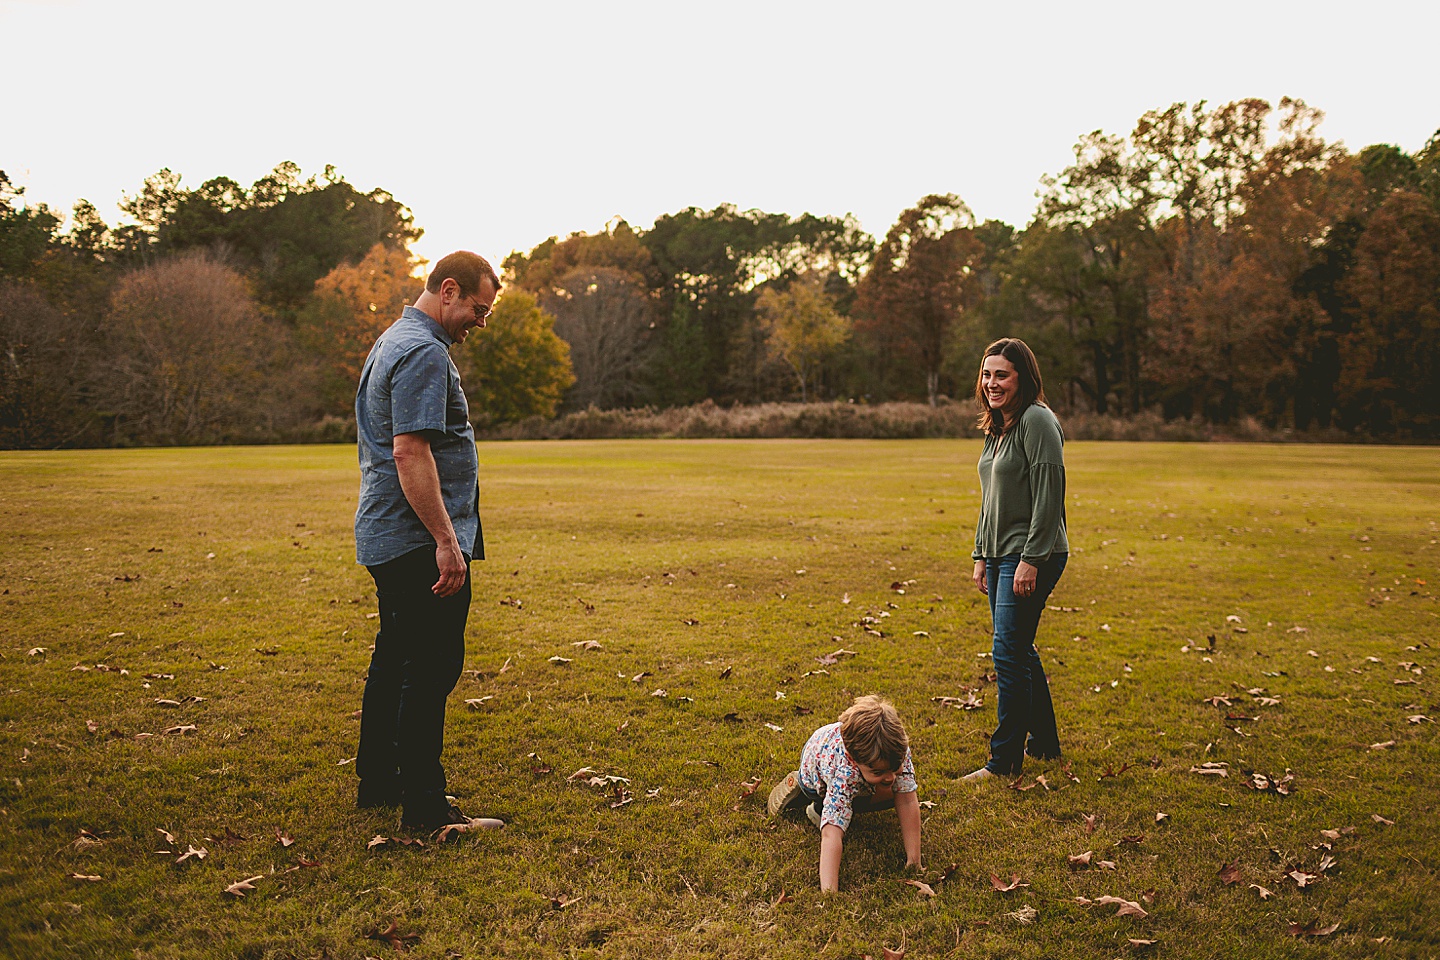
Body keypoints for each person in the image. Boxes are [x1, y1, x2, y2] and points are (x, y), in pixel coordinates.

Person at [353, 250, 499, 830]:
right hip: (416, 538)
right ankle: (426, 810)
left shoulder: (393, 338)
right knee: (430, 667)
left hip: (386, 531)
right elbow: (410, 450)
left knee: (394, 657)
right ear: (447, 291)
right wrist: (445, 539)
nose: (479, 323)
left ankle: (379, 783)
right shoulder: (423, 352)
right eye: (477, 309)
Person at [962, 337, 1069, 783]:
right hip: (1002, 553)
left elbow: (1049, 496)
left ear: (1022, 377)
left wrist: (1030, 560)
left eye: (1001, 374)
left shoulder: (1037, 421)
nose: (992, 383)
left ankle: (1003, 761)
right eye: (987, 375)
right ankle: (1044, 744)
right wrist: (981, 555)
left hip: (1033, 555)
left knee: (1007, 654)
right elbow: (992, 502)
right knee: (1019, 650)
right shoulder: (998, 427)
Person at [767, 695, 922, 892]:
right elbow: (832, 834)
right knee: (838, 808)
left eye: (895, 768)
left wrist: (914, 861)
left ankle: (845, 797)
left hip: (852, 771)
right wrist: (829, 893)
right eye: (879, 771)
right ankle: (814, 802)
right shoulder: (843, 773)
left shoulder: (895, 750)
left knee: (898, 790)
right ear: (853, 758)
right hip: (815, 776)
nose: (890, 777)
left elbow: (908, 801)